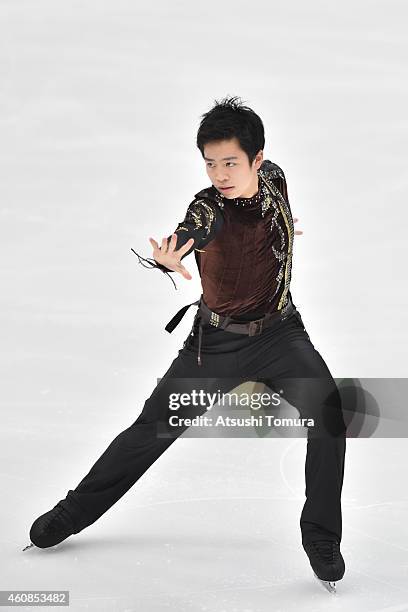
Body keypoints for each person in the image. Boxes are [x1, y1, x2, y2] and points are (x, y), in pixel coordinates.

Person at [26, 96, 347, 592]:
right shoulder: (207, 208)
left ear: (258, 160)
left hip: (282, 333)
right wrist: (171, 256)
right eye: (210, 163)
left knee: (329, 414)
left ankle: (321, 537)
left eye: (230, 162)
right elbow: (192, 231)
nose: (219, 173)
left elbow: (270, 213)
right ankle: (71, 514)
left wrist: (280, 229)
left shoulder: (276, 179)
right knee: (150, 430)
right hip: (215, 344)